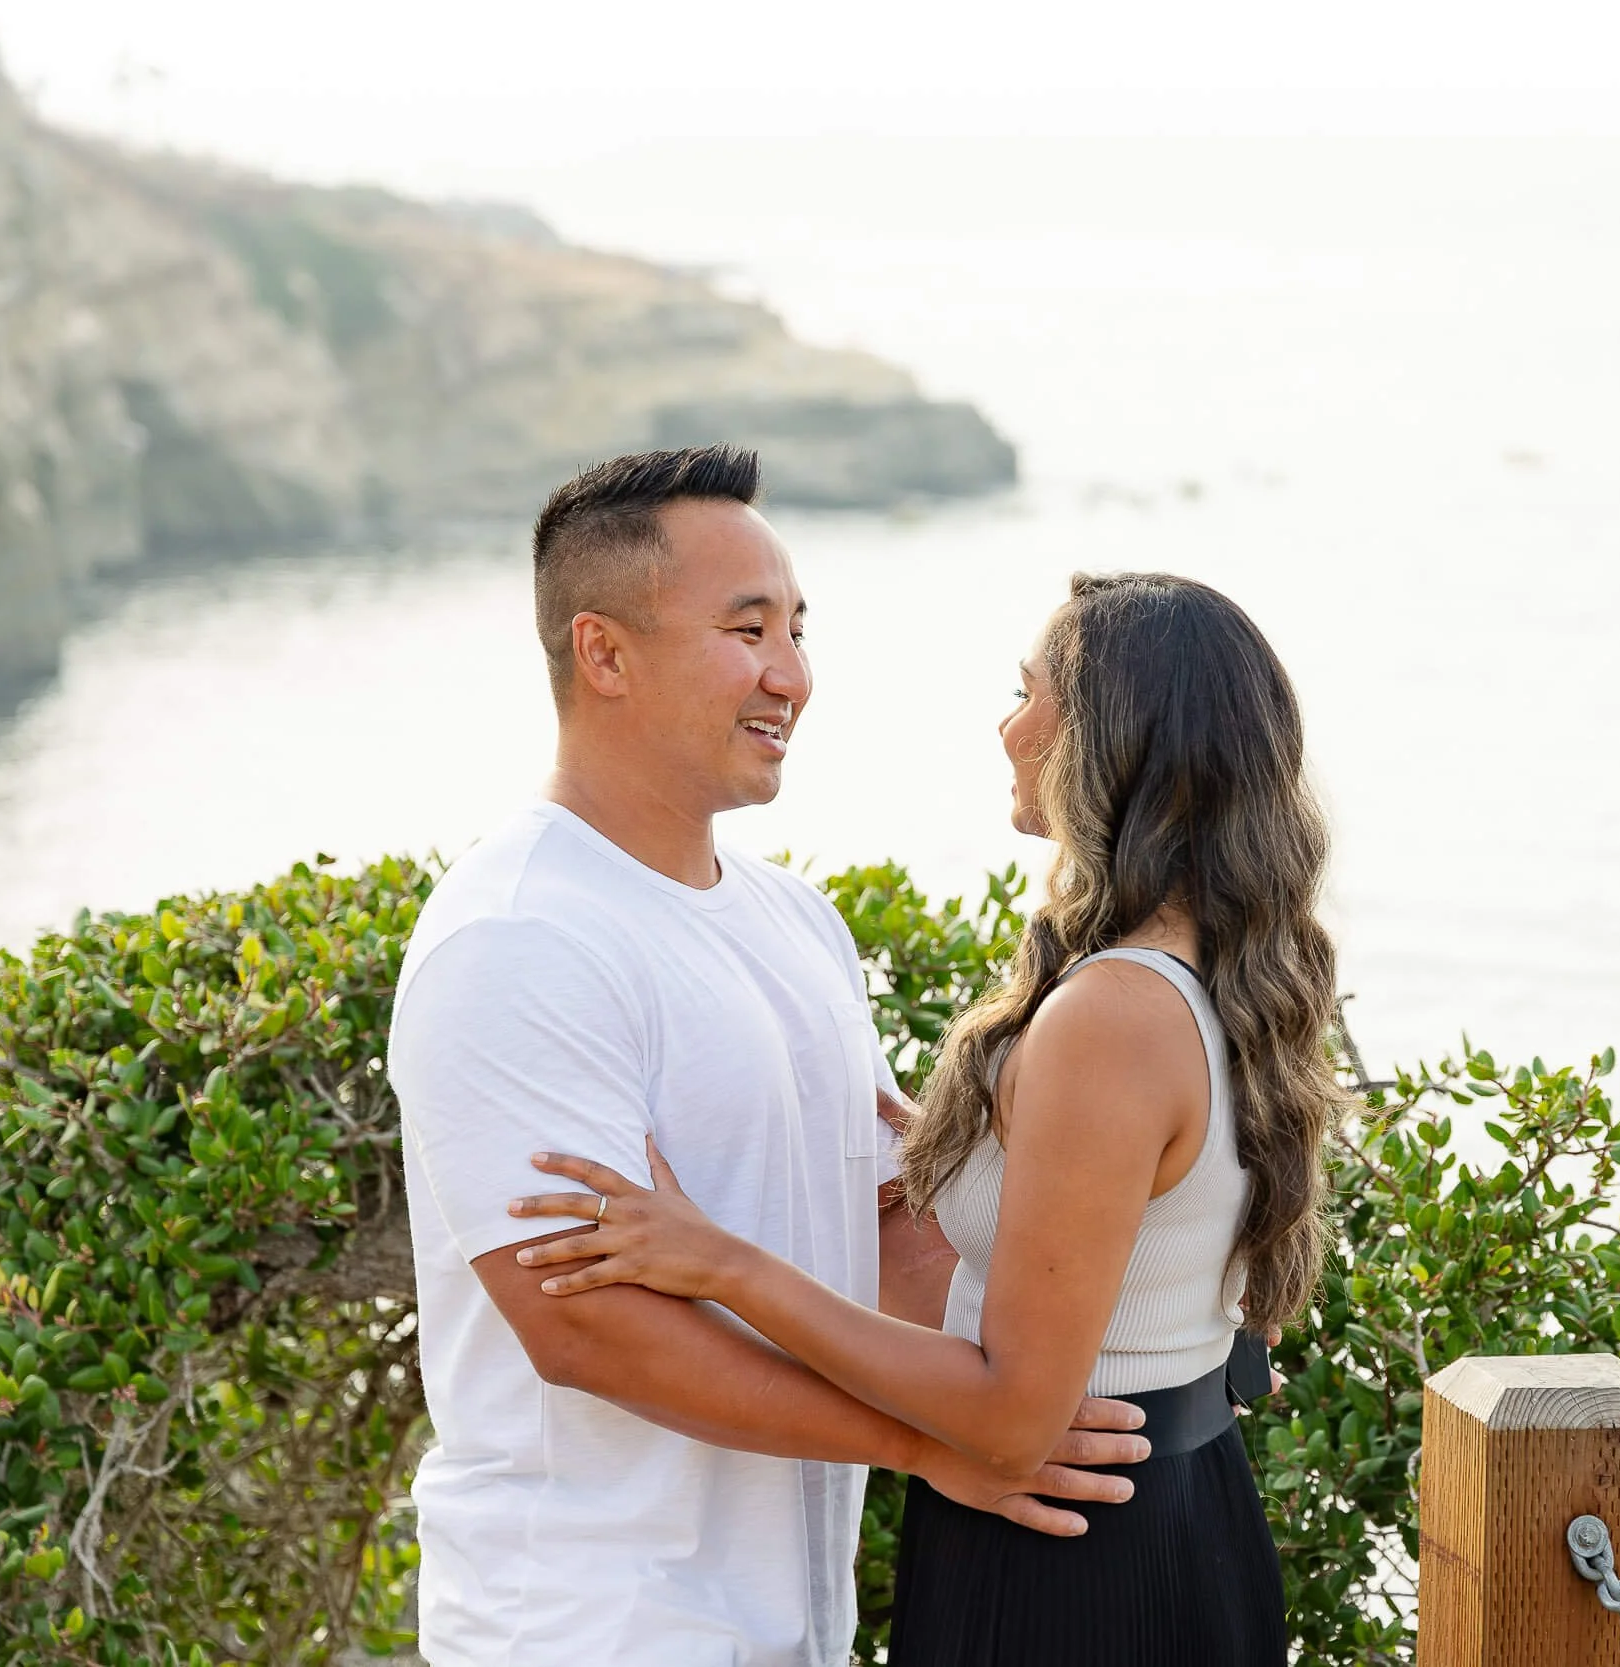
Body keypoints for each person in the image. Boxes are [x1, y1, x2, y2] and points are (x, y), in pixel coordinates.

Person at [385, 448, 1152, 1667]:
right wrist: (926, 1443)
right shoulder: (517, 936)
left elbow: (882, 1233)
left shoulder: (795, 923)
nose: (790, 674)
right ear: (603, 652)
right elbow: (588, 1329)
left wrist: (1060, 1368)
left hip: (791, 1624)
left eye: (797, 629)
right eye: (746, 630)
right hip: (591, 1627)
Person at [511, 570, 1347, 1666]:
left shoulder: (1111, 1015)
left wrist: (718, 1260)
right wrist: (965, 1145)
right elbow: (1158, 1236)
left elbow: (1008, 1418)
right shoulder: (1214, 968)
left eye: (1026, 690)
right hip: (1173, 1512)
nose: (1006, 726)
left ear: (1104, 735)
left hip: (1069, 1551)